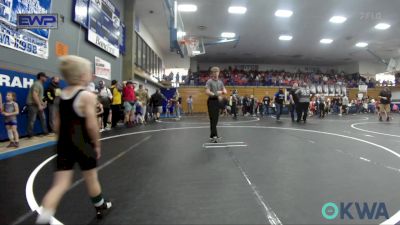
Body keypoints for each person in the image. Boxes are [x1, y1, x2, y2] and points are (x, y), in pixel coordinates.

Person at [36, 55, 111, 224]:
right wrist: (97, 145)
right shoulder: (87, 96)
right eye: (89, 73)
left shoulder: (61, 95)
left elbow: (57, 124)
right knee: (91, 178)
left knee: (60, 184)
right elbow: (92, 125)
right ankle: (100, 207)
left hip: (64, 143)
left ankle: (44, 218)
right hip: (83, 144)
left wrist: (60, 143)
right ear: (83, 76)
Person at [205, 67, 227, 143]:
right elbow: (207, 91)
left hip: (217, 101)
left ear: (219, 72)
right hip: (211, 101)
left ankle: (212, 135)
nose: (215, 73)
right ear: (212, 73)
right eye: (214, 72)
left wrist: (222, 92)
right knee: (213, 119)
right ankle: (214, 136)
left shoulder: (220, 82)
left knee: (215, 119)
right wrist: (215, 94)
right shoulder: (209, 81)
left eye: (216, 72)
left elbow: (225, 90)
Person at [26, 72, 49, 138]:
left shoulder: (40, 85)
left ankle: (45, 132)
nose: (46, 79)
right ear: (41, 77)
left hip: (38, 105)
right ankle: (30, 135)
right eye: (45, 77)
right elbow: (34, 95)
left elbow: (40, 96)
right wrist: (39, 105)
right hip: (33, 105)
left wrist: (44, 102)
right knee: (32, 120)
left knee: (43, 118)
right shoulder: (37, 84)